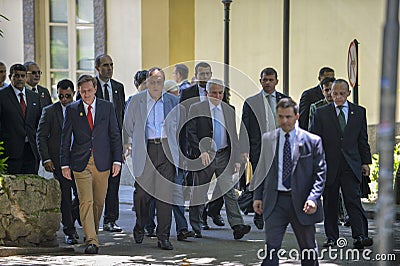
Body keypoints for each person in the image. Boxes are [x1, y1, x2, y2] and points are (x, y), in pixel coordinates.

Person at [253, 98, 326, 265]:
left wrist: (313, 198)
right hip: (275, 201)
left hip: (302, 202)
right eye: (280, 117)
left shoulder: (312, 141)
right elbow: (262, 170)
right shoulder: (268, 139)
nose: (284, 121)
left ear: (297, 116)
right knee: (271, 249)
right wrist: (257, 196)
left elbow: (320, 173)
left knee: (308, 249)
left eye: (288, 117)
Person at [124, 67, 185, 250]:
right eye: (153, 82)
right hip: (146, 149)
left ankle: (163, 236)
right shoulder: (136, 101)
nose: (156, 85)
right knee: (142, 194)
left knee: (165, 196)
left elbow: (180, 128)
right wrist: (127, 144)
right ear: (147, 83)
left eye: (160, 82)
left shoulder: (173, 101)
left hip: (166, 151)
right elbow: (127, 126)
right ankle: (140, 224)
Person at [60, 74, 122, 254]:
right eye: (83, 91)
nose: (86, 94)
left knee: (98, 202)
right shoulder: (72, 109)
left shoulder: (107, 107)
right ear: (79, 91)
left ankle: (91, 232)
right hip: (80, 162)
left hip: (103, 162)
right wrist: (65, 164)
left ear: (95, 89)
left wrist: (117, 160)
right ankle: (92, 240)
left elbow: (115, 134)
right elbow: (65, 139)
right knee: (85, 201)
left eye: (89, 90)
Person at [310, 79, 373, 249]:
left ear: (348, 94)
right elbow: (315, 141)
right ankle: (332, 237)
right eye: (334, 93)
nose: (337, 97)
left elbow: (362, 139)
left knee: (353, 200)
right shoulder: (321, 113)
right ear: (330, 94)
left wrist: (366, 162)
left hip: (351, 164)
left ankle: (360, 235)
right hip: (329, 165)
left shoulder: (359, 112)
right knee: (330, 202)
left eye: (341, 94)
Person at [187, 78, 251, 240]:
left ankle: (237, 225)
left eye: (220, 92)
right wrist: (201, 151)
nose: (218, 95)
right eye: (214, 92)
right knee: (199, 192)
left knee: (229, 191)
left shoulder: (229, 109)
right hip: (205, 157)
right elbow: (191, 133)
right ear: (207, 93)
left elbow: (232, 136)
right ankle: (196, 226)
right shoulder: (197, 108)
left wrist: (236, 159)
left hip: (223, 155)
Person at [239, 67, 289, 229]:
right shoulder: (251, 102)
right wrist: (244, 150)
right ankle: (259, 214)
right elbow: (245, 127)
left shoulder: (285, 100)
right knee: (261, 182)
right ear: (260, 81)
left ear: (276, 81)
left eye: (271, 80)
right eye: (265, 80)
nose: (267, 83)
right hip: (259, 148)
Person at [179, 62, 225, 230]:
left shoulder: (218, 90)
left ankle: (211, 212)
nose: (204, 77)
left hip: (218, 147)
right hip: (195, 146)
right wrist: (188, 150)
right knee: (199, 187)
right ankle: (198, 221)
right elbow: (184, 123)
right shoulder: (186, 93)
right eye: (201, 74)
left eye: (207, 73)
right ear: (196, 75)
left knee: (223, 185)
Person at [37, 79, 79, 245]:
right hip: (59, 161)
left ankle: (74, 217)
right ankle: (69, 230)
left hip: (79, 160)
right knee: (65, 196)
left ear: (73, 94)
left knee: (83, 196)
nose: (64, 100)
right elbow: (41, 136)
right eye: (61, 96)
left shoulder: (79, 109)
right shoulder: (50, 111)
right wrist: (46, 158)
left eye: (68, 96)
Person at [91, 54, 125, 233]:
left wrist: (123, 144)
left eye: (111, 65)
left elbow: (122, 116)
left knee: (114, 181)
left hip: (114, 141)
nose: (109, 68)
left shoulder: (118, 87)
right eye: (105, 65)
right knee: (93, 184)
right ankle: (86, 217)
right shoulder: (91, 87)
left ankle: (111, 219)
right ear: (97, 68)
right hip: (96, 142)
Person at [0, 63, 41, 174]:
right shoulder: (2, 96)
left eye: (22, 76)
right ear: (10, 77)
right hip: (10, 154)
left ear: (26, 77)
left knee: (32, 187)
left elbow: (38, 124)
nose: (20, 79)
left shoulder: (34, 97)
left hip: (31, 152)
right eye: (16, 76)